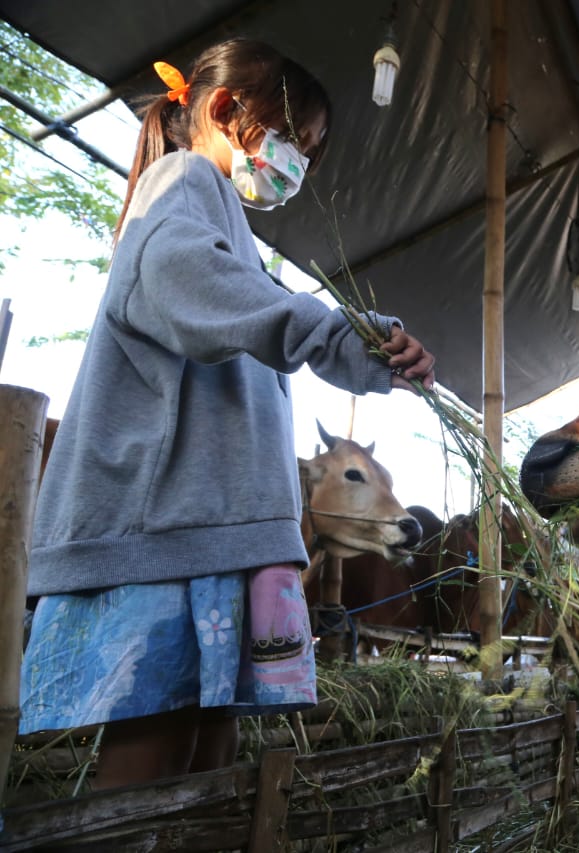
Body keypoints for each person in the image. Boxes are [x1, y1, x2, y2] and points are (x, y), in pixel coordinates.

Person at [18, 38, 437, 789]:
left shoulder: (233, 233)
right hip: (172, 536)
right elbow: (190, 281)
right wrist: (334, 331)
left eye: (308, 154)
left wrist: (369, 349)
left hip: (211, 540)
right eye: (292, 142)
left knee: (205, 762)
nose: (297, 167)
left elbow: (261, 321)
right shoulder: (180, 183)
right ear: (222, 111)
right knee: (149, 773)